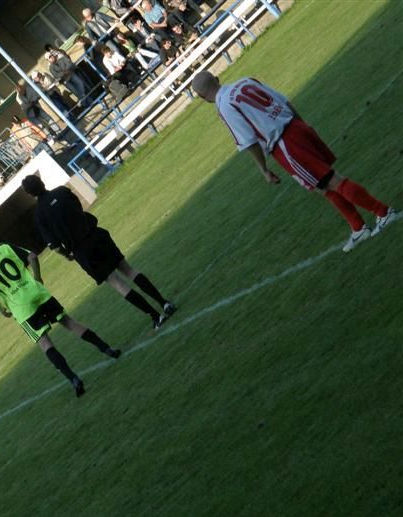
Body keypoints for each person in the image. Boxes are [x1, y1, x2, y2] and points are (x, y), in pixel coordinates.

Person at [191, 71, 399, 252]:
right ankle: (358, 227)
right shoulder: (246, 81)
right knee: (322, 185)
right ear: (217, 78)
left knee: (331, 180)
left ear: (201, 97)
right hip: (295, 126)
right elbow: (283, 101)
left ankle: (383, 212)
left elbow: (248, 141)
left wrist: (264, 169)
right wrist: (303, 125)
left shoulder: (224, 106)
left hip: (284, 144)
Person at [0, 231, 121, 397]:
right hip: (38, 293)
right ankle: (107, 349)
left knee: (45, 343)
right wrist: (37, 278)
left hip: (22, 308)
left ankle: (73, 379)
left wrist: (2, 312)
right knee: (69, 322)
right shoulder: (4, 248)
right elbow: (32, 257)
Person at [22, 175, 175, 330]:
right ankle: (164, 303)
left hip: (81, 250)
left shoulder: (39, 216)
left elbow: (55, 246)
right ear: (42, 182)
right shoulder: (62, 191)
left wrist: (66, 254)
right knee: (128, 270)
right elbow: (78, 207)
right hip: (96, 235)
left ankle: (155, 316)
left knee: (117, 283)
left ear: (29, 194)